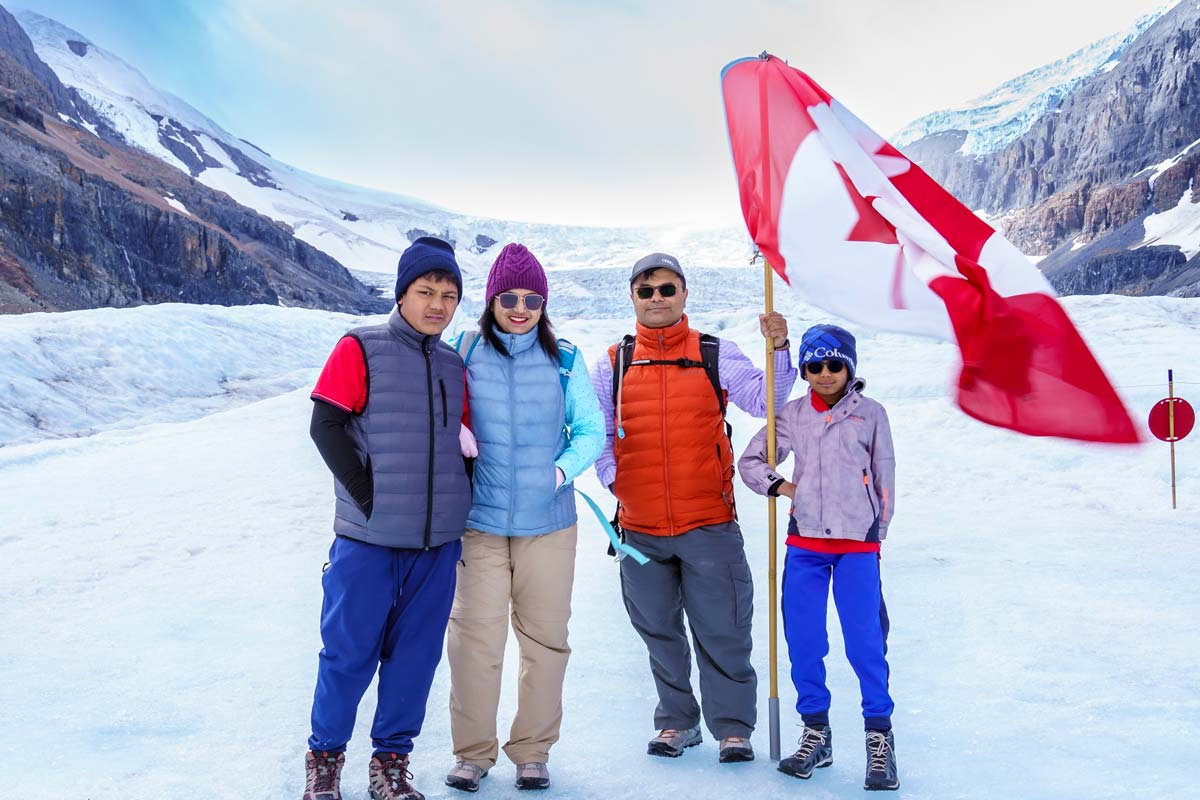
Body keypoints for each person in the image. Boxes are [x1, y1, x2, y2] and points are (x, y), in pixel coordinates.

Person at [588, 252, 797, 763]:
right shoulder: (613, 361)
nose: (656, 298)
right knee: (658, 631)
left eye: (666, 289)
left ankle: (732, 727)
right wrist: (618, 484)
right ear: (633, 297)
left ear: (683, 293)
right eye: (646, 290)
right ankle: (677, 723)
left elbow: (764, 398)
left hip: (709, 521)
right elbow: (595, 433)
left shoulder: (712, 351)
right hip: (639, 529)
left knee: (723, 628)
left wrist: (779, 348)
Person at [303, 236, 472, 800]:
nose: (438, 305)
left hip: (437, 543)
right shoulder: (361, 346)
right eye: (426, 291)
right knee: (348, 653)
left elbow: (466, 443)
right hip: (368, 541)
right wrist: (365, 495)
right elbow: (325, 426)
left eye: (449, 295)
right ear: (403, 294)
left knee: (415, 660)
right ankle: (325, 760)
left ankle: (390, 765)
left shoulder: (453, 363)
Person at [443, 243, 604, 793]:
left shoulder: (566, 359)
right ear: (491, 299)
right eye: (508, 297)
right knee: (474, 642)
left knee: (545, 642)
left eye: (531, 298)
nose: (520, 307)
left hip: (549, 526)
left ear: (543, 302)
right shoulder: (462, 348)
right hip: (479, 525)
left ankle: (532, 752)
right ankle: (472, 753)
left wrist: (558, 474)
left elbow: (590, 430)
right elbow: (438, 409)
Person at [737, 323, 900, 791]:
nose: (824, 373)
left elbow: (885, 475)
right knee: (805, 641)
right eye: (814, 365)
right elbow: (751, 462)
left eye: (834, 364)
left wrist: (877, 532)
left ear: (849, 366)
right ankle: (816, 733)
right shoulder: (792, 415)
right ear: (805, 369)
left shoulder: (871, 415)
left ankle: (879, 739)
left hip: (857, 544)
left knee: (865, 643)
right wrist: (787, 487)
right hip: (805, 543)